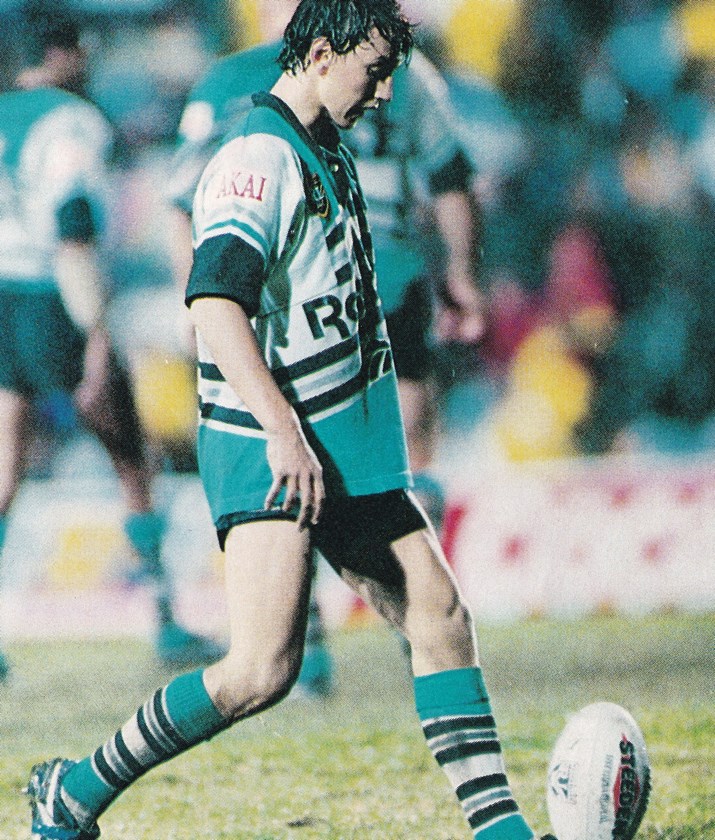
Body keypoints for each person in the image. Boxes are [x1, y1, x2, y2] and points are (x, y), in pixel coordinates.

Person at [25, 3, 555, 838]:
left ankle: (501, 831)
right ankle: (76, 789)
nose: (383, 93)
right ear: (316, 53)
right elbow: (213, 304)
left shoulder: (325, 147)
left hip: (335, 438)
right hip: (270, 442)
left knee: (439, 614)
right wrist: (281, 430)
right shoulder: (258, 159)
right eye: (372, 71)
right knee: (258, 671)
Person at [0, 6, 225, 676]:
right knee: (130, 457)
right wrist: (94, 331)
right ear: (64, 54)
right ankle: (164, 619)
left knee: (5, 461)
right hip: (51, 292)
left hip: (0, 289)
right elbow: (71, 220)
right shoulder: (72, 120)